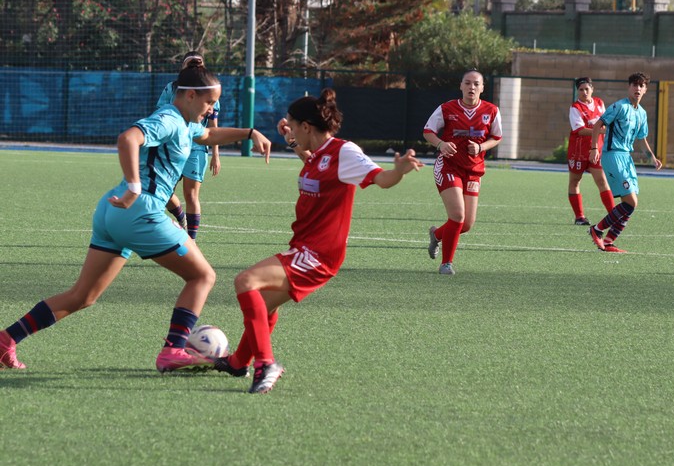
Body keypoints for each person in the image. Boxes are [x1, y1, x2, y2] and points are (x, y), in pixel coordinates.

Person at [0, 65, 272, 372]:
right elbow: (128, 138)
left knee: (84, 295)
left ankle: (6, 340)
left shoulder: (186, 123)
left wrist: (250, 133)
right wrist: (134, 185)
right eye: (210, 103)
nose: (211, 111)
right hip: (140, 211)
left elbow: (208, 134)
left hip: (112, 213)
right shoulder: (169, 119)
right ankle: (173, 350)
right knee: (203, 276)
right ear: (191, 95)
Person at [212, 88, 423, 394]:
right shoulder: (318, 155)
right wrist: (293, 137)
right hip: (303, 247)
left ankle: (265, 364)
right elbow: (313, 161)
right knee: (264, 305)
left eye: (294, 126)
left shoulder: (344, 153)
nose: (291, 131)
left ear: (307, 127)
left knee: (246, 282)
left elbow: (381, 179)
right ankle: (238, 362)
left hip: (318, 254)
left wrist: (399, 171)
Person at [423, 69, 502, 275]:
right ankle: (446, 264)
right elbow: (428, 131)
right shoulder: (447, 108)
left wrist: (481, 148)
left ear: (483, 88)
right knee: (457, 216)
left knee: (466, 224)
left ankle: (437, 235)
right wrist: (441, 144)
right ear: (461, 86)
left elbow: (497, 137)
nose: (472, 87)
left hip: (474, 170)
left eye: (476, 84)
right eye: (467, 83)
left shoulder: (491, 110)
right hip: (449, 166)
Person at [588, 72, 662, 253]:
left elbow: (642, 138)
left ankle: (609, 241)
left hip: (627, 158)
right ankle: (596, 230)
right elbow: (598, 125)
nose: (637, 88)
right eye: (634, 85)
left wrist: (652, 157)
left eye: (641, 85)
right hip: (612, 155)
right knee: (630, 202)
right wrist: (594, 149)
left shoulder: (642, 113)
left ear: (645, 89)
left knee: (631, 203)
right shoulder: (619, 106)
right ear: (629, 87)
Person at [159, 51, 221, 239]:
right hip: (173, 146)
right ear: (183, 67)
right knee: (164, 191)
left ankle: (191, 240)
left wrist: (216, 154)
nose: (195, 68)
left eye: (198, 65)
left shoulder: (209, 90)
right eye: (191, 64)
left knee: (191, 194)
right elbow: (161, 114)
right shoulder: (172, 88)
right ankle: (180, 216)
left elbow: (213, 126)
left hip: (196, 149)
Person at [567, 77, 615, 225]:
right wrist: (601, 131)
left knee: (602, 181)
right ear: (577, 91)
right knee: (575, 181)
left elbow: (606, 123)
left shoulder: (599, 103)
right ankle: (579, 217)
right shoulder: (575, 107)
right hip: (578, 152)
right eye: (581, 89)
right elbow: (580, 130)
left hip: (596, 150)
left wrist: (607, 130)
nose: (584, 92)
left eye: (587, 89)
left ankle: (614, 215)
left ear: (592, 89)